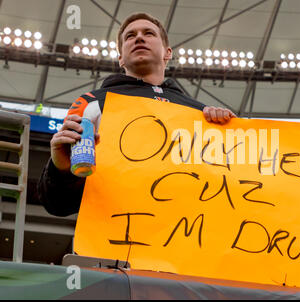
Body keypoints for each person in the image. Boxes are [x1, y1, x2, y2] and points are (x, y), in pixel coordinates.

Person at [38, 12, 236, 217]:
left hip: (184, 233)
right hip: (113, 237)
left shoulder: (199, 112)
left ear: (167, 52)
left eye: (149, 33)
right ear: (121, 58)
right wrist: (60, 169)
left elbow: (224, 186)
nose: (139, 37)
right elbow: (58, 205)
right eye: (130, 36)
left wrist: (229, 130)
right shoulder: (91, 103)